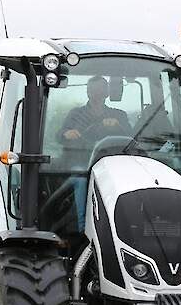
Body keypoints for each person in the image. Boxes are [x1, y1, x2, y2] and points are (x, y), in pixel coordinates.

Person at [56, 76, 133, 234]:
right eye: (92, 90)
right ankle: (83, 230)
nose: (95, 93)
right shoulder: (76, 114)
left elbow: (132, 140)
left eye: (99, 90)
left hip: (112, 167)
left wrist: (118, 126)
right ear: (87, 92)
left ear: (106, 92)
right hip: (82, 165)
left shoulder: (119, 115)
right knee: (81, 178)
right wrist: (67, 134)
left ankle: (125, 228)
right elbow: (58, 136)